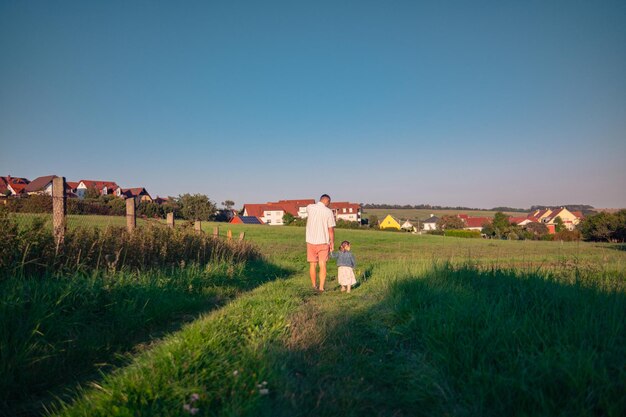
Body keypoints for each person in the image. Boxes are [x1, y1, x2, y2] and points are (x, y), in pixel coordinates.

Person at [305, 194, 336, 292]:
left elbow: (309, 208)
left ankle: (314, 285)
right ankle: (321, 287)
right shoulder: (328, 212)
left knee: (312, 264)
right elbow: (330, 229)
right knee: (322, 264)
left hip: (310, 241)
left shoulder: (310, 207)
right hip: (323, 241)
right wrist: (332, 242)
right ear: (327, 201)